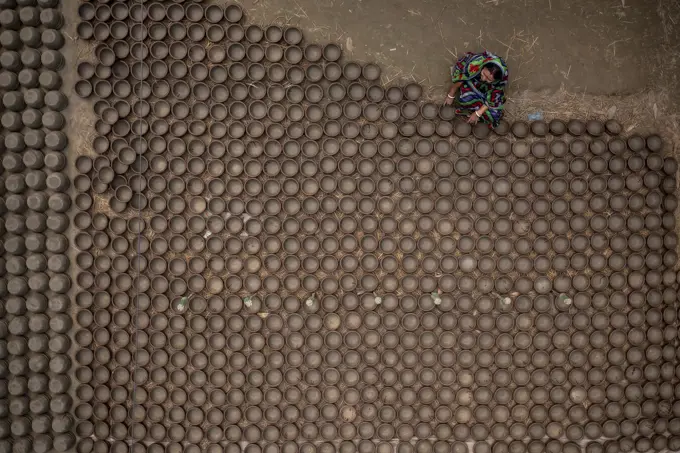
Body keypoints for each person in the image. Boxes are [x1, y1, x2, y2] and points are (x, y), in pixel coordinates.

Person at [444, 51, 508, 128]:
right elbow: (461, 78)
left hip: (488, 90)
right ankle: (469, 108)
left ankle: (474, 112)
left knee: (494, 115)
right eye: (484, 74)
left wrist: (478, 113)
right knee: (465, 97)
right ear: (484, 66)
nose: (484, 79)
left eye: (489, 79)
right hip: (473, 79)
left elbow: (493, 97)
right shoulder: (474, 64)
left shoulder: (501, 79)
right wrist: (451, 94)